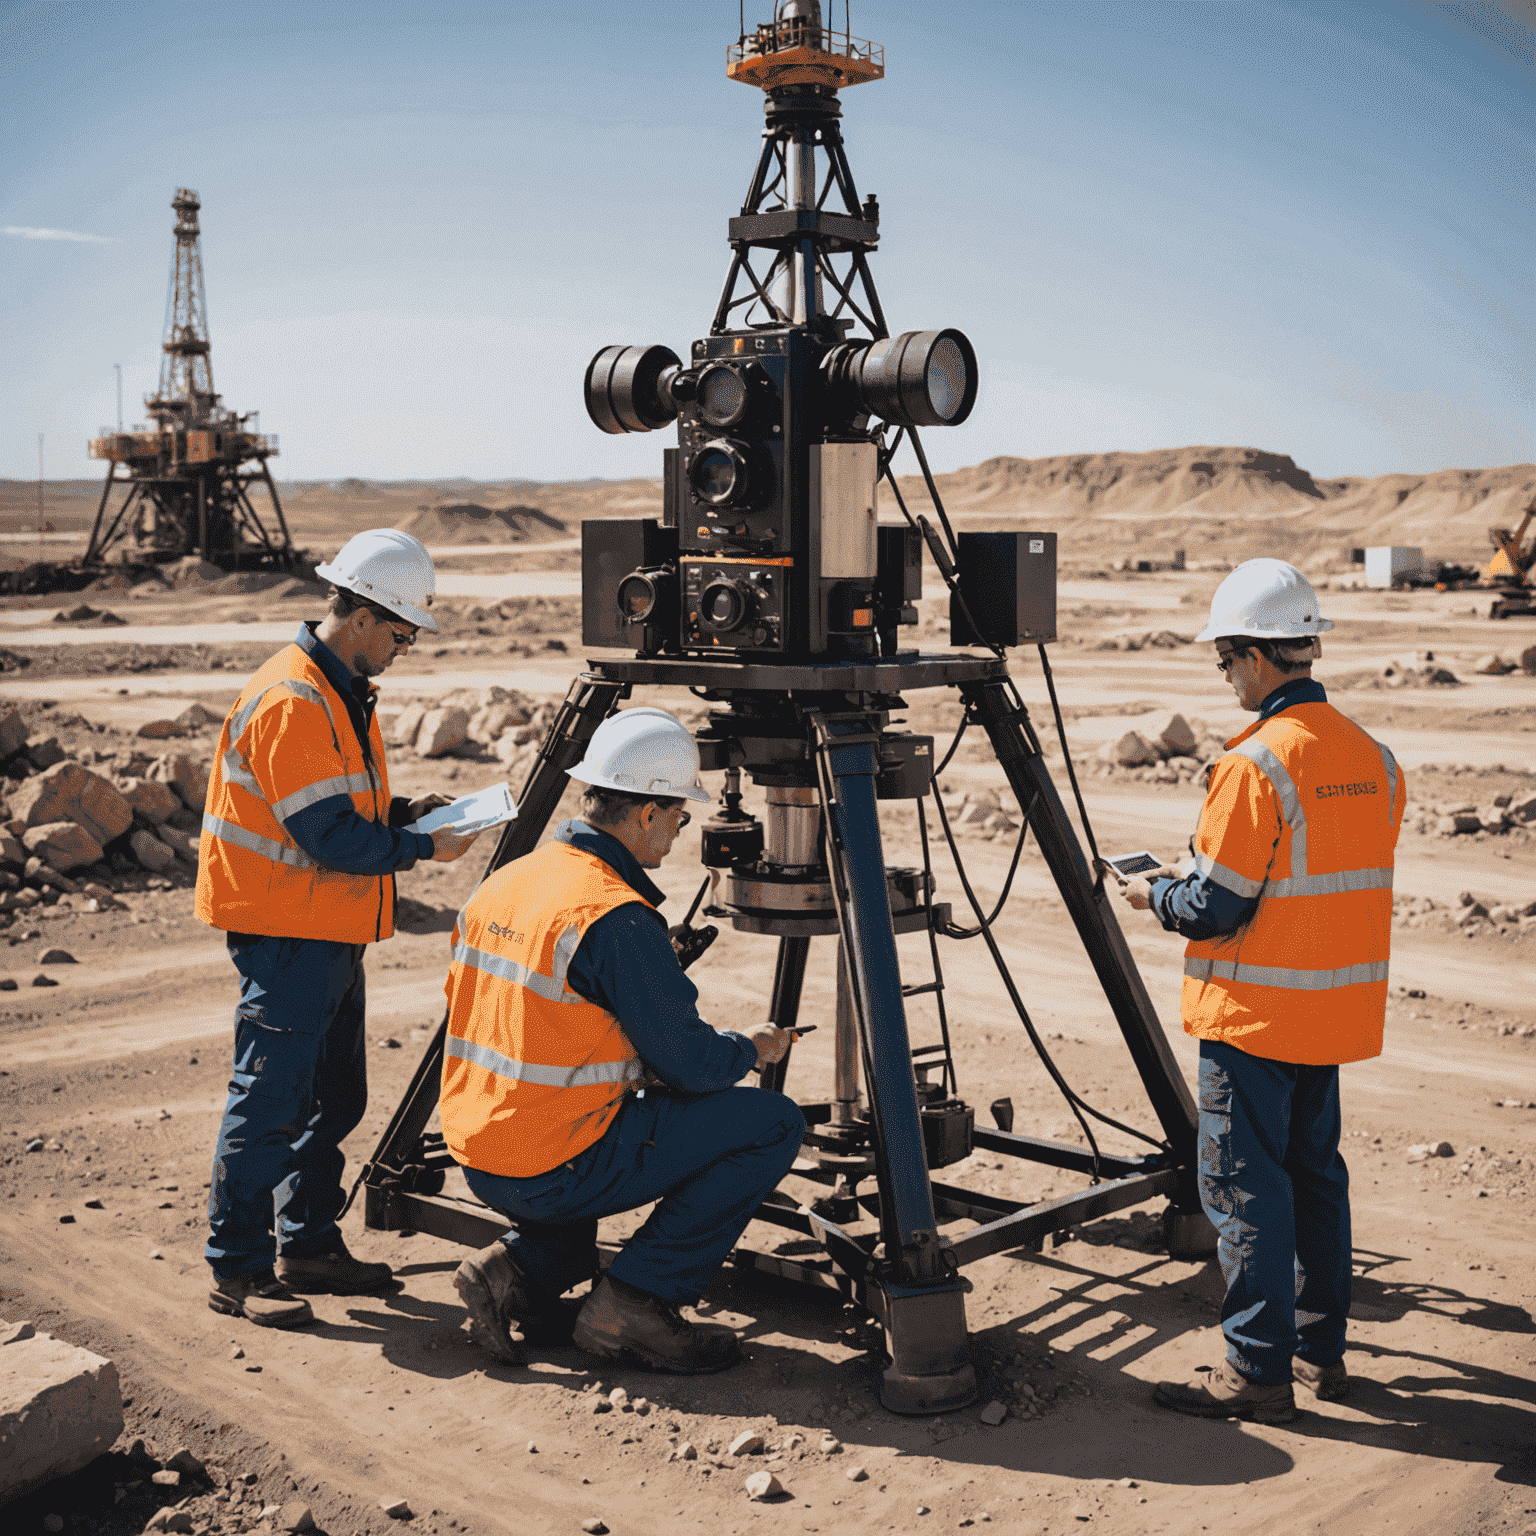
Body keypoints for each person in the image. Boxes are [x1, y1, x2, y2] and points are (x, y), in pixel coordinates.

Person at [1113, 558, 1404, 1423]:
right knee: (1317, 1182)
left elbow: (1215, 908)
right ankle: (1319, 1355)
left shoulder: (1256, 765)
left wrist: (1153, 893)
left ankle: (1255, 1372)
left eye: (1224, 659)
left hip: (1254, 1020)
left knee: (1246, 1192)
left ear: (1256, 657)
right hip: (1334, 1013)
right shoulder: (1373, 757)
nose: (1225, 675)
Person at [440, 707, 805, 1374]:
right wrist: (752, 1047)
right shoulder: (613, 914)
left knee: (589, 1172)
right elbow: (694, 1066)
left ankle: (508, 1274)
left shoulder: (513, 879)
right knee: (771, 1124)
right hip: (551, 1163)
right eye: (678, 816)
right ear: (644, 814)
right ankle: (634, 1304)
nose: (678, 830)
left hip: (480, 1147)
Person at [196, 529, 482, 1329]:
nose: (404, 648)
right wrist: (424, 846)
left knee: (334, 1097)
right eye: (401, 633)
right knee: (270, 1101)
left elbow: (337, 810)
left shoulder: (337, 689)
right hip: (286, 931)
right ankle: (240, 1267)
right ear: (360, 616)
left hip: (324, 927)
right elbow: (328, 838)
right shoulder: (294, 699)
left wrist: (403, 814)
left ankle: (308, 1243)